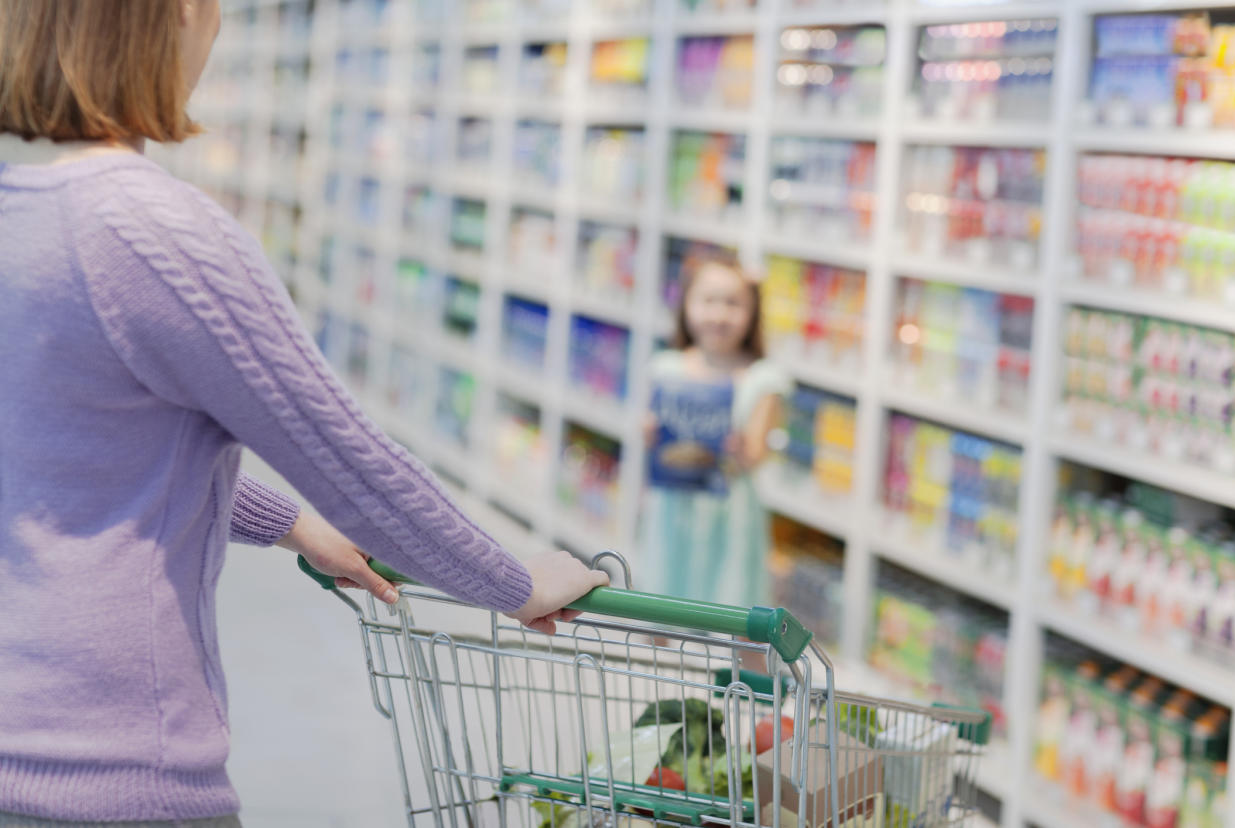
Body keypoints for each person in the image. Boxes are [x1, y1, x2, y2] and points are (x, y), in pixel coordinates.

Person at [0, 1, 608, 824]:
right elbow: (355, 466)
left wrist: (290, 523)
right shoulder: (153, 232)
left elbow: (80, 441)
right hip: (112, 775)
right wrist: (514, 580)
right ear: (175, 16)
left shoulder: (22, 209)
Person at [641, 256, 790, 610]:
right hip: (673, 512)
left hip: (731, 517)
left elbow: (756, 456)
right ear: (686, 306)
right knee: (659, 607)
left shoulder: (761, 379)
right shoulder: (667, 368)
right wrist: (650, 435)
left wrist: (740, 448)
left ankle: (740, 669)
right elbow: (655, 438)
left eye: (733, 303)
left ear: (753, 313)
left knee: (737, 612)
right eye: (708, 301)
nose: (719, 314)